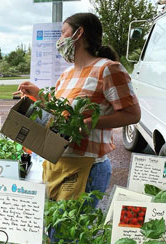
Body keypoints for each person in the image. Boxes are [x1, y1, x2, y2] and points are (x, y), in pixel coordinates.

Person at [14, 13, 141, 206]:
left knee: (68, 234)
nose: (59, 40)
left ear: (78, 33)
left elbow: (133, 114)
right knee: (53, 233)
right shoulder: (66, 74)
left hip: (87, 167)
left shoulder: (108, 69)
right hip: (56, 162)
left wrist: (91, 122)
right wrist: (38, 94)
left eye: (63, 33)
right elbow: (62, 112)